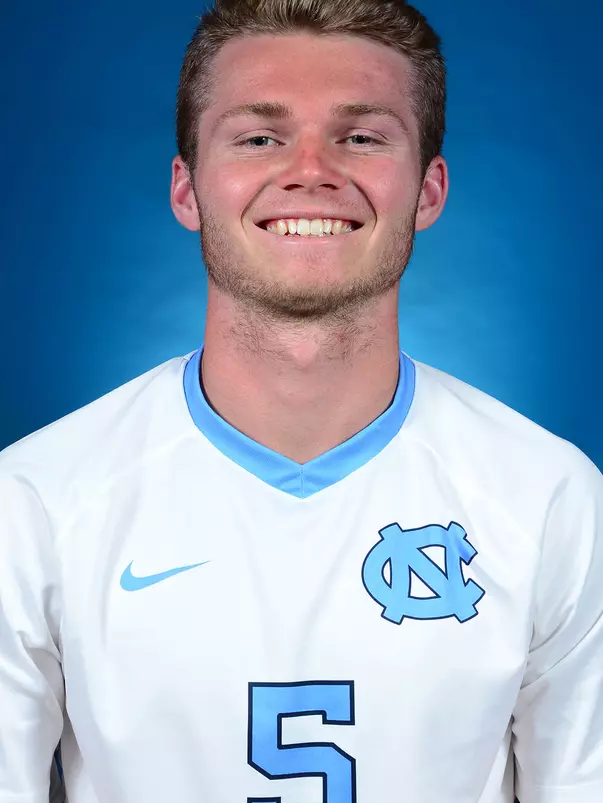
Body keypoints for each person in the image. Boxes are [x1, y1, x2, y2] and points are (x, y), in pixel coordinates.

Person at [0, 0, 601, 801]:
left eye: (360, 136)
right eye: (259, 137)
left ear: (428, 190)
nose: (311, 170)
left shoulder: (551, 498)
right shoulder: (36, 500)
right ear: (187, 189)